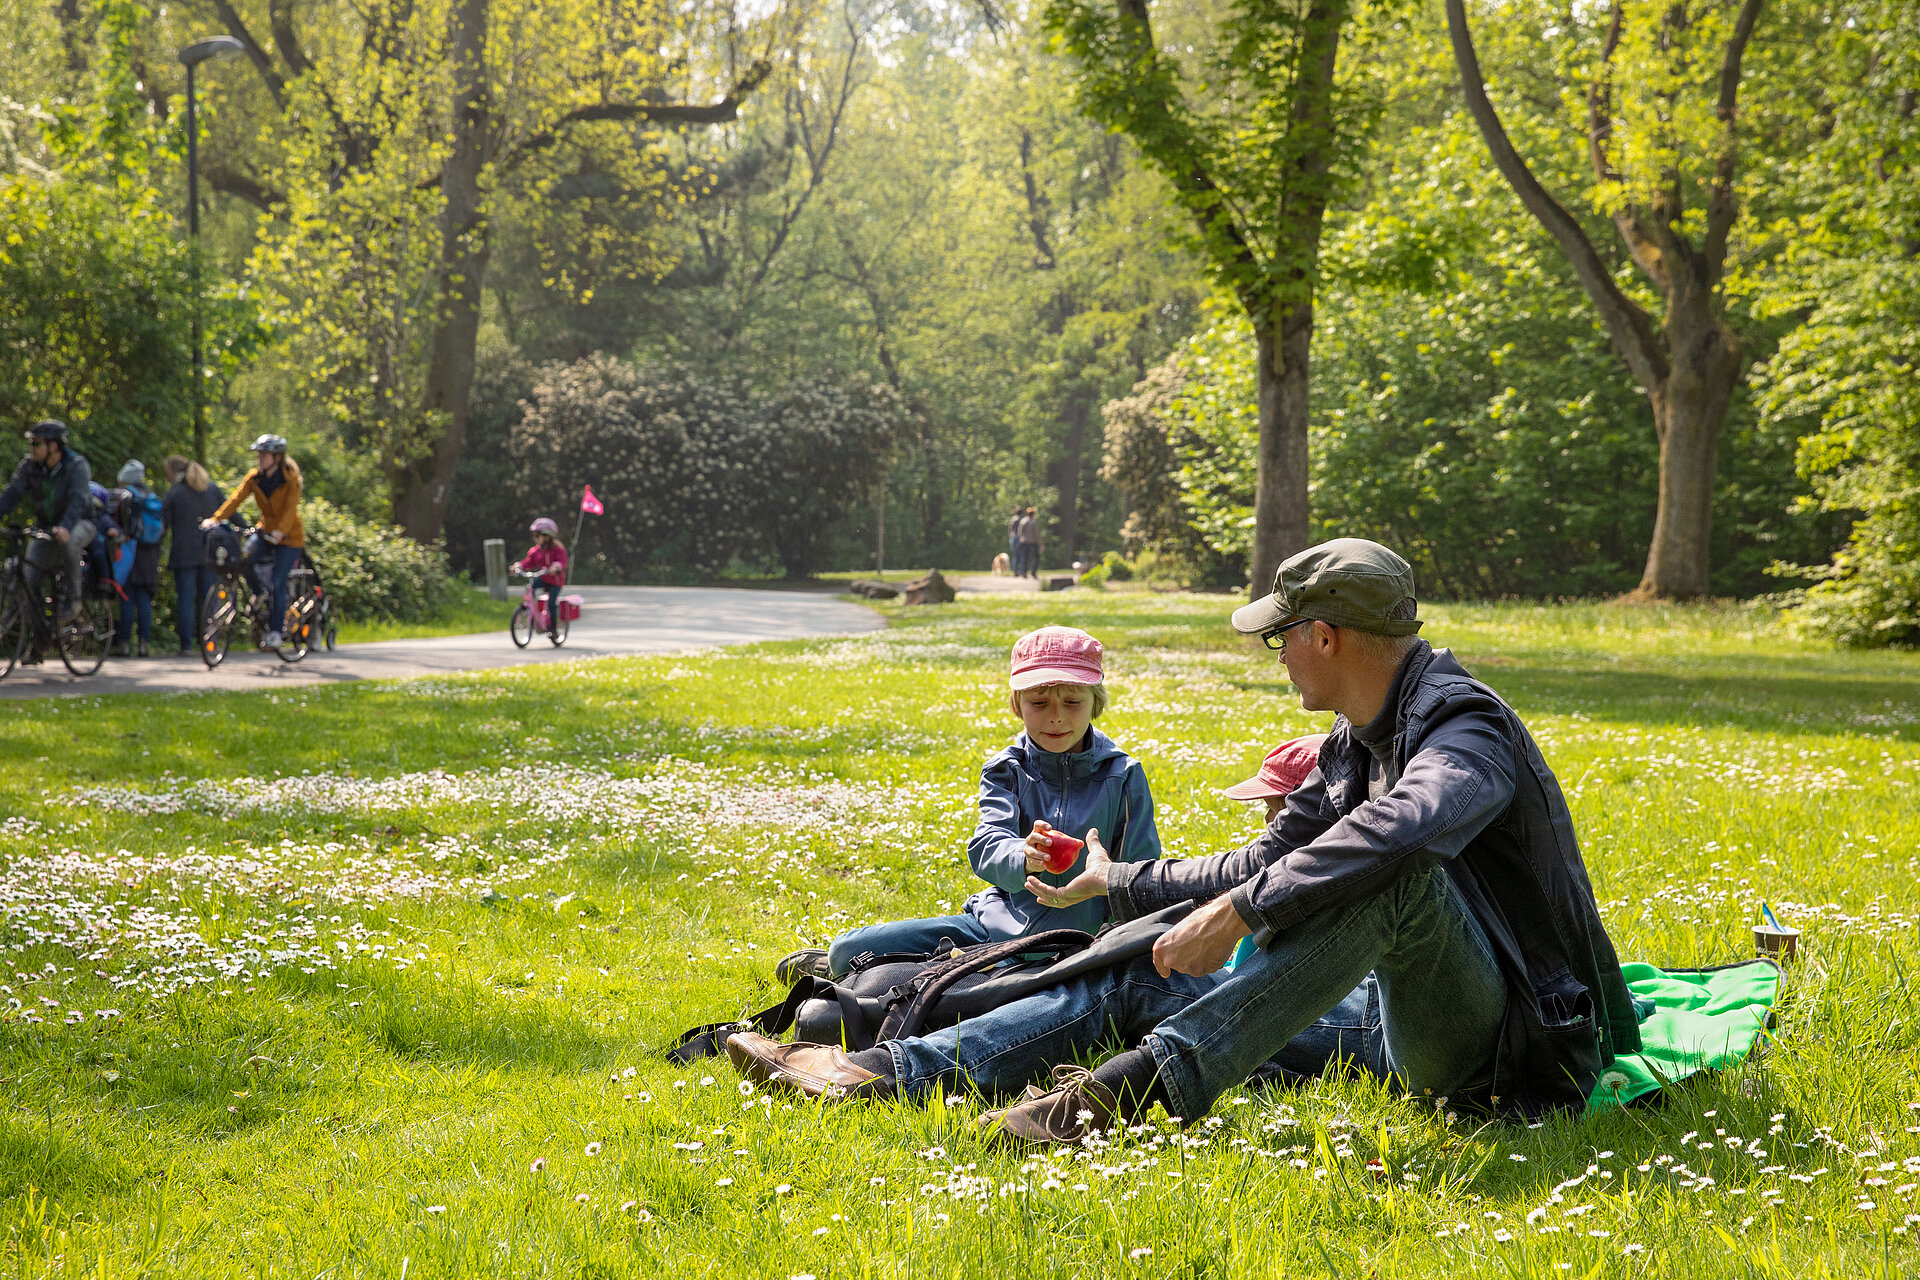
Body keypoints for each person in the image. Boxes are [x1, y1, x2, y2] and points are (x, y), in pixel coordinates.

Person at [727, 538, 1640, 1140]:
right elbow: (1259, 859)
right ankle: (877, 1070)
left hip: (1513, 1044)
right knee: (1146, 965)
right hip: (1373, 1006)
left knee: (1395, 878)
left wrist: (1241, 912)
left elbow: (1404, 833)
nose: (1274, 655)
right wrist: (1115, 882)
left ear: (1323, 635)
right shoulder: (1359, 743)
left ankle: (1120, 1099)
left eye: (1280, 637)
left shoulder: (1465, 728)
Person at [802, 625, 1161, 981]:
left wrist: (1112, 942)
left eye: (1072, 701)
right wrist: (1023, 856)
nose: (1055, 716)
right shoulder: (1006, 769)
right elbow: (988, 844)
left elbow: (1140, 874)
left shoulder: (1123, 775)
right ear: (1016, 705)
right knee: (846, 949)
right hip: (992, 932)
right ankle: (856, 967)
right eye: (1038, 702)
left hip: (1083, 947)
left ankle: (919, 974)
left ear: (1095, 702)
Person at [203, 434, 304, 651]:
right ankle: (258, 593)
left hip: (289, 537)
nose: (259, 458)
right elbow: (235, 499)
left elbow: (290, 511)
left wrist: (280, 532)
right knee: (243, 562)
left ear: (277, 457)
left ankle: (276, 632)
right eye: (259, 454)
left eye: (264, 455)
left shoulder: (291, 479)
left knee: (278, 582)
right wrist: (216, 519)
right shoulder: (255, 478)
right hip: (265, 531)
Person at [0, 420, 96, 621]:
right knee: (29, 579)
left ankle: (73, 598)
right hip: (46, 526)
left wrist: (66, 526)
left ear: (53, 446)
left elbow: (79, 500)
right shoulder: (29, 466)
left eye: (36, 443)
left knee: (70, 540)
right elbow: (11, 494)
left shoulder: (77, 466)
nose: (31, 448)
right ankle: (39, 639)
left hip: (80, 522)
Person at [161, 456, 226, 655]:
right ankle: (210, 642)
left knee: (186, 600)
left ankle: (186, 645)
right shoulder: (212, 489)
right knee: (210, 599)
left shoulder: (175, 493)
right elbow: (230, 513)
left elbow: (163, 525)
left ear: (172, 473)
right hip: (210, 553)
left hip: (184, 554)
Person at [110, 460, 161, 657]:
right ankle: (143, 645)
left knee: (126, 597)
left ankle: (124, 644)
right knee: (144, 599)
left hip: (130, 550)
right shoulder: (151, 497)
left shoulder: (127, 496)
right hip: (150, 554)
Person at [512, 518, 568, 640]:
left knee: (552, 603)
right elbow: (529, 561)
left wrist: (556, 566)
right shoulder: (537, 550)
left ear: (547, 536)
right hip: (543, 578)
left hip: (555, 581)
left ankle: (553, 629)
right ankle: (532, 610)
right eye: (534, 536)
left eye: (537, 536)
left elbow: (562, 561)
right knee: (531, 585)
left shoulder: (557, 549)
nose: (535, 538)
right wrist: (519, 566)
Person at [1016, 507, 1041, 578]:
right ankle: (1033, 572)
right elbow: (1036, 534)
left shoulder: (1023, 521)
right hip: (1032, 542)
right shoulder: (1033, 522)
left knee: (1024, 557)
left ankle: (1024, 572)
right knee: (1036, 557)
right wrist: (1040, 542)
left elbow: (1019, 532)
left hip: (1023, 541)